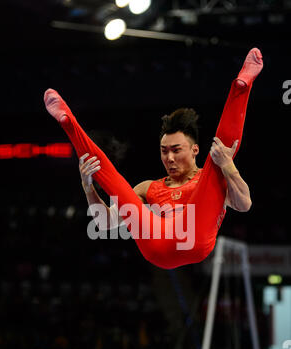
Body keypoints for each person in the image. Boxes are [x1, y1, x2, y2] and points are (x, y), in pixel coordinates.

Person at [44, 48, 263, 269]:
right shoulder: (149, 188)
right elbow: (104, 222)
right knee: (117, 185)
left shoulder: (210, 181)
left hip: (195, 238)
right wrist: (88, 187)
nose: (169, 157)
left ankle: (241, 88)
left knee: (220, 157)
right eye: (164, 150)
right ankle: (69, 124)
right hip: (156, 244)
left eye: (176, 150)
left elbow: (244, 205)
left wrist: (228, 166)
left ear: (195, 150)